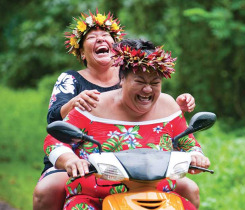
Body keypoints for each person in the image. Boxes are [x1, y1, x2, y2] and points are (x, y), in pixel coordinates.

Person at [33, 9, 198, 210]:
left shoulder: (160, 98)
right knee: (49, 190)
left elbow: (184, 138)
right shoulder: (84, 96)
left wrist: (195, 152)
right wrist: (71, 159)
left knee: (190, 190)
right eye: (92, 37)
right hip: (89, 168)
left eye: (105, 36)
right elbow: (54, 126)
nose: (147, 88)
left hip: (151, 179)